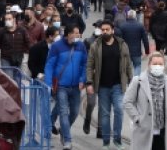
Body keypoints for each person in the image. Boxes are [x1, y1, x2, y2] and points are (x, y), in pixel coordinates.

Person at [86, 20, 132, 149]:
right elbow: (89, 66)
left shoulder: (122, 44)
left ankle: (117, 140)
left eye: (107, 29)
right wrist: (89, 82)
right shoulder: (96, 45)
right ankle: (106, 141)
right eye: (103, 30)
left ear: (112, 30)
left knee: (119, 110)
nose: (104, 32)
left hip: (118, 85)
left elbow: (128, 63)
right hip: (102, 86)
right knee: (105, 114)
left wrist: (131, 79)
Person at [44, 24, 87, 150]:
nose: (78, 35)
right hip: (61, 86)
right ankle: (67, 140)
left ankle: (62, 129)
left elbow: (85, 64)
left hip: (76, 87)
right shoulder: (57, 47)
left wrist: (82, 79)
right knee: (63, 112)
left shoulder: (81, 46)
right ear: (68, 34)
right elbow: (49, 65)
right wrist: (48, 83)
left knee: (74, 112)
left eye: (79, 33)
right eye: (76, 33)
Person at [124, 52, 167, 150]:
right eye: (155, 64)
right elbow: (127, 101)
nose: (158, 66)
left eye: (160, 64)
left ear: (164, 66)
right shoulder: (138, 81)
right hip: (143, 130)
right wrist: (137, 118)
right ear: (149, 65)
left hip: (163, 132)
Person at [82, 20, 103, 138]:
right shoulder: (87, 41)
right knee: (91, 102)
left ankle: (100, 128)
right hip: (92, 77)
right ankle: (87, 118)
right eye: (98, 26)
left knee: (103, 104)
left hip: (104, 77)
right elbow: (84, 60)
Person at [119, 10, 150, 76]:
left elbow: (119, 40)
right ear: (135, 16)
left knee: (126, 67)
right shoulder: (140, 26)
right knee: (137, 66)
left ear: (127, 16)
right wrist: (147, 51)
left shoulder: (122, 26)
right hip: (137, 51)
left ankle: (128, 80)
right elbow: (145, 40)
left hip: (125, 50)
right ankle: (135, 80)